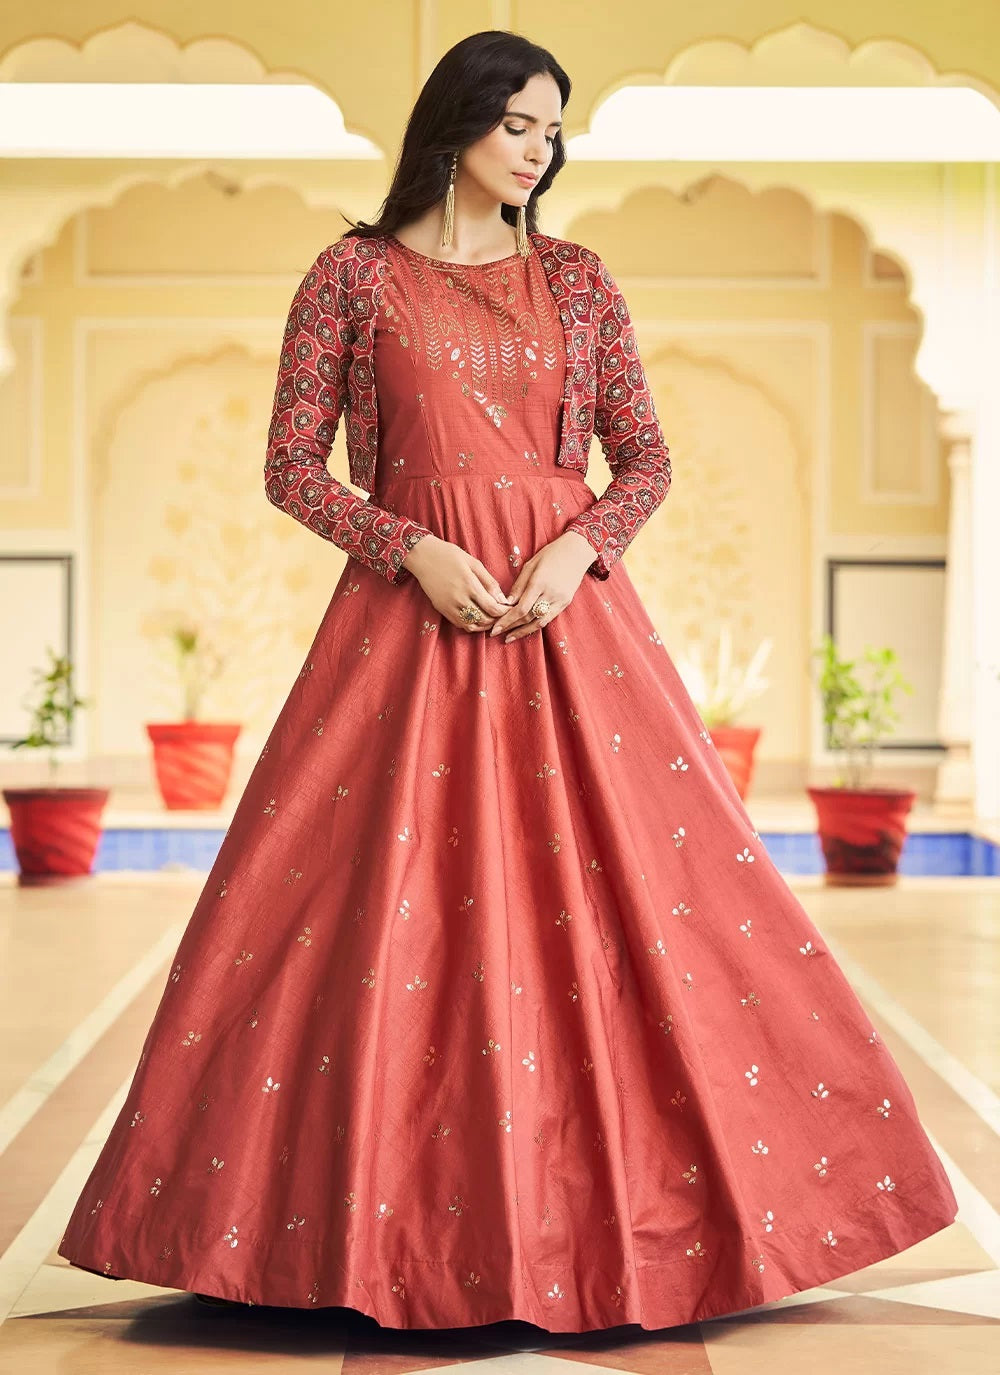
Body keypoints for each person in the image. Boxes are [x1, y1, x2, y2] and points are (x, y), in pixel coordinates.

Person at [57, 29, 958, 1334]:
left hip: (567, 626)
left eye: (553, 131)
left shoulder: (581, 283)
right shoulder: (352, 277)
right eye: (521, 124)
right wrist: (408, 544)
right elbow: (292, 468)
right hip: (404, 632)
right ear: (456, 124)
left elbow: (643, 458)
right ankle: (337, 1240)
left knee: (666, 907)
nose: (541, 150)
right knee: (367, 922)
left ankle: (662, 1221)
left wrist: (581, 544)